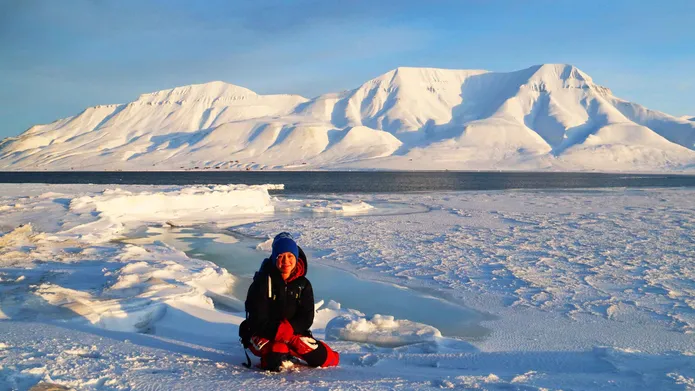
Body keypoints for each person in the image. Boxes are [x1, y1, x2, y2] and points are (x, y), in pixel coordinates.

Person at [239, 232, 340, 371]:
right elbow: (257, 318)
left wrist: (291, 334)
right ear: (274, 258)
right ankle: (280, 352)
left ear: (296, 257)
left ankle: (290, 349)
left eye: (290, 256)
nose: (286, 261)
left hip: (294, 334)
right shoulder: (262, 282)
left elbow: (306, 317)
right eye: (280, 256)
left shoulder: (303, 285)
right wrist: (280, 332)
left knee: (324, 359)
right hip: (265, 333)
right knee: (276, 356)